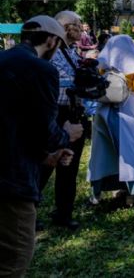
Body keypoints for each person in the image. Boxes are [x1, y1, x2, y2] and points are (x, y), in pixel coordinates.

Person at [0, 16, 76, 277]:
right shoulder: (41, 69)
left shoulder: (4, 59)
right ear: (52, 40)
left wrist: (45, 156)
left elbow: (16, 123)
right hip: (11, 182)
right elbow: (45, 129)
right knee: (15, 259)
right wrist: (66, 136)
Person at [88, 35, 134, 206]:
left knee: (103, 151)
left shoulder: (103, 64)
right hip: (127, 110)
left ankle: (99, 190)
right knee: (131, 150)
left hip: (103, 109)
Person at [40, 11, 87, 230]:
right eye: (77, 24)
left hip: (73, 113)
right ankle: (26, 211)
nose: (81, 28)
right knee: (45, 164)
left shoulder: (72, 53)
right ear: (66, 27)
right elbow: (55, 83)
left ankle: (63, 212)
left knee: (69, 167)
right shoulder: (52, 53)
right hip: (56, 114)